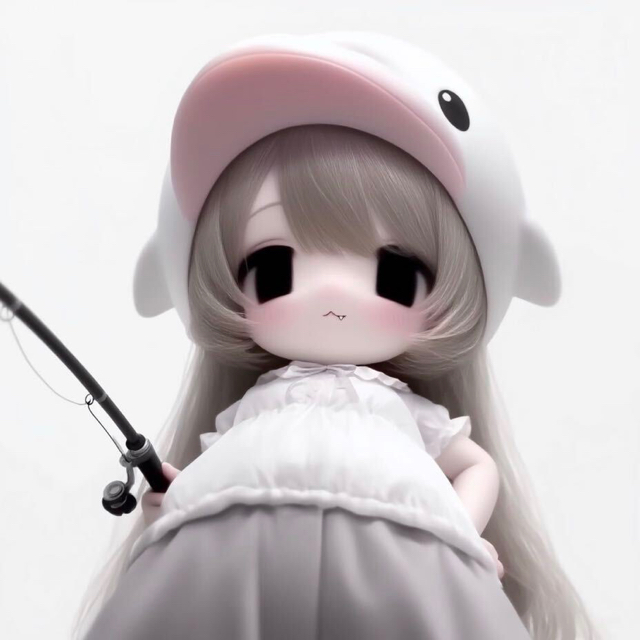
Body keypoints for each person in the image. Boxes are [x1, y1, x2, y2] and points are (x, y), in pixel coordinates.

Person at [75, 32, 599, 639]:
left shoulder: (398, 415)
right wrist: (178, 502)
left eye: (395, 276)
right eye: (273, 269)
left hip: (403, 564)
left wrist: (459, 530)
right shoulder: (258, 413)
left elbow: (476, 466)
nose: (330, 294)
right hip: (236, 562)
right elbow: (211, 476)